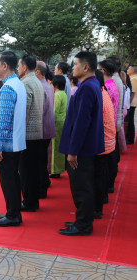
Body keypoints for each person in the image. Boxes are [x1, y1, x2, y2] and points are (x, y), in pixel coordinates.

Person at [58, 51, 104, 236]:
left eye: (75, 65)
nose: (73, 68)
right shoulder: (91, 85)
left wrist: (73, 151)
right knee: (82, 185)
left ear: (86, 67)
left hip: (81, 149)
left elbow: (81, 122)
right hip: (85, 147)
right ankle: (81, 219)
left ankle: (83, 224)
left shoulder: (86, 88)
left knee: (81, 187)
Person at [0, 50, 27, 227]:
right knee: (13, 178)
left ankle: (13, 215)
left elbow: (4, 120)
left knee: (9, 180)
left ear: (5, 66)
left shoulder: (7, 87)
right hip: (16, 141)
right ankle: (12, 211)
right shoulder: (18, 84)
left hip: (7, 144)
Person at [17, 54, 44, 212]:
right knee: (32, 169)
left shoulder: (26, 83)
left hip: (28, 135)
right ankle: (32, 200)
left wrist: (20, 136)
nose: (18, 69)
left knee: (26, 171)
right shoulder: (38, 81)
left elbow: (25, 112)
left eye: (19, 66)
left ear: (25, 67)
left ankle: (29, 201)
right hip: (37, 132)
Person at [94, 69, 116, 219]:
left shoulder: (99, 95)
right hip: (106, 141)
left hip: (102, 142)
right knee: (100, 175)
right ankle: (98, 205)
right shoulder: (103, 92)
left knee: (97, 177)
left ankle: (96, 208)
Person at [35, 61, 56, 198]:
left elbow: (38, 111)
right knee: (42, 159)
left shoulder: (40, 87)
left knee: (39, 161)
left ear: (38, 72)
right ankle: (44, 183)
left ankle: (41, 188)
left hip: (42, 129)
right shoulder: (47, 85)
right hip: (47, 127)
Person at [51, 75, 67, 178]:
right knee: (60, 147)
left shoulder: (56, 95)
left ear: (55, 84)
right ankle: (59, 168)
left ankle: (54, 170)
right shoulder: (64, 94)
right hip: (63, 120)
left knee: (55, 147)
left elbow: (54, 111)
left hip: (56, 122)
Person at [126, 65, 137, 144]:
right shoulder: (134, 77)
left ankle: (130, 139)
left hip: (132, 102)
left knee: (130, 120)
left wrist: (128, 103)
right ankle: (130, 137)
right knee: (130, 120)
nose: (127, 70)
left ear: (133, 70)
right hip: (133, 101)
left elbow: (132, 92)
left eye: (129, 69)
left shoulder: (133, 78)